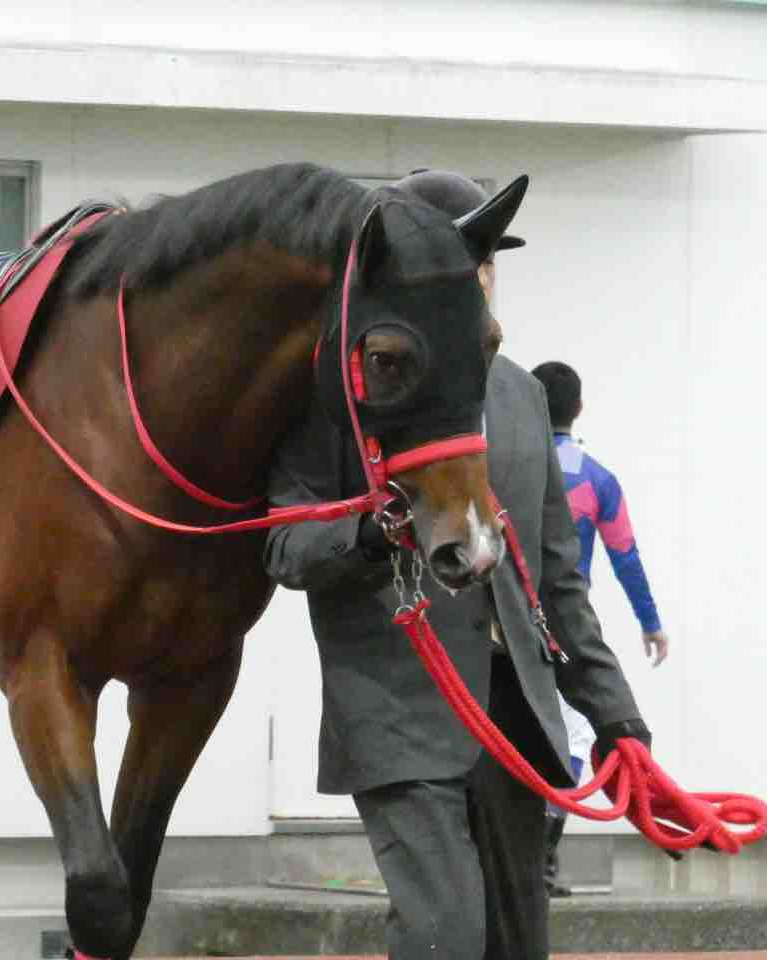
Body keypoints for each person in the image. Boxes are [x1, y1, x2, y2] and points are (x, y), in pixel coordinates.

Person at [263, 169, 651, 960]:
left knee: (516, 946)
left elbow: (559, 579)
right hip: (399, 712)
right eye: (456, 258)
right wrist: (369, 537)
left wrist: (616, 715)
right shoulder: (336, 388)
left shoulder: (521, 396)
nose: (477, 274)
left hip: (518, 715)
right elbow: (284, 546)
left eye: (485, 258)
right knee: (444, 936)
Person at [530, 359, 669, 897]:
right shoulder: (598, 479)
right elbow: (625, 555)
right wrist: (650, 623)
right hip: (566, 625)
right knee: (573, 734)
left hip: (500, 619)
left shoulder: (502, 467)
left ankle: (513, 858)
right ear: (579, 408)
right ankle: (539, 862)